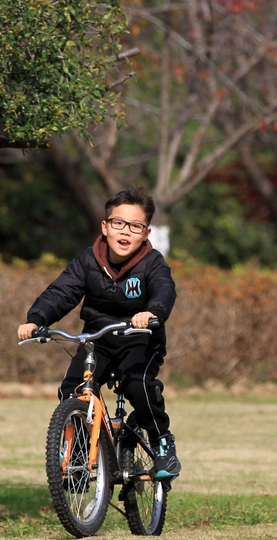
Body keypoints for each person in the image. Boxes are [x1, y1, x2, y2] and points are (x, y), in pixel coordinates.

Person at [16, 185, 180, 482]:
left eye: (135, 226)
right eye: (118, 223)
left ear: (146, 233)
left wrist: (152, 312)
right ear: (105, 227)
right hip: (98, 340)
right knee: (73, 389)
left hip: (140, 338)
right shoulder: (88, 261)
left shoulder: (152, 263)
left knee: (137, 384)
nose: (125, 231)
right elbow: (61, 293)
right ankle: (78, 454)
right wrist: (36, 319)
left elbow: (164, 290)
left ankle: (161, 441)